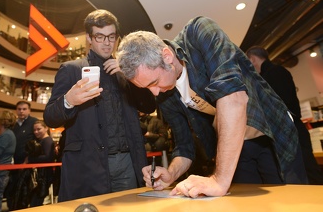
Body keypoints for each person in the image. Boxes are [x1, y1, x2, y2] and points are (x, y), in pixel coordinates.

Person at [117, 16, 308, 198]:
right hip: (235, 149)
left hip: (272, 134)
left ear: (166, 56)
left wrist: (218, 180)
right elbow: (184, 146)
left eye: (154, 82)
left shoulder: (199, 33)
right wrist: (171, 174)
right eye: (147, 88)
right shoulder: (165, 91)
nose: (155, 93)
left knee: (289, 202)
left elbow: (233, 97)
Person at [43, 9, 155, 201]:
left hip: (127, 160)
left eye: (111, 37)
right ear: (89, 37)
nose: (106, 42)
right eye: (100, 36)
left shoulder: (125, 70)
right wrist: (69, 100)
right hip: (88, 164)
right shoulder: (71, 70)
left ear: (117, 38)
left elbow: (149, 106)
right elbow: (50, 118)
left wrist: (131, 74)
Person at [246, 46, 323, 184]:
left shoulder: (273, 73)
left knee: (306, 171)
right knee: (303, 171)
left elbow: (283, 105)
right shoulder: (275, 72)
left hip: (291, 130)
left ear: (252, 59)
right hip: (291, 129)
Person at [5, 100, 37, 210]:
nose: (21, 111)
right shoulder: (13, 124)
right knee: (11, 190)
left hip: (27, 164)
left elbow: (37, 145)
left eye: (24, 109)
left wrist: (27, 161)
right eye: (19, 109)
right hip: (12, 163)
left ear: (29, 110)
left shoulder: (34, 123)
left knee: (23, 192)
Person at [26, 120, 55, 207]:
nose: (36, 132)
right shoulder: (43, 140)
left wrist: (30, 159)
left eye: (39, 129)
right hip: (41, 175)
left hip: (44, 176)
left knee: (36, 201)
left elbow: (48, 157)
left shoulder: (47, 140)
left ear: (46, 128)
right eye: (34, 130)